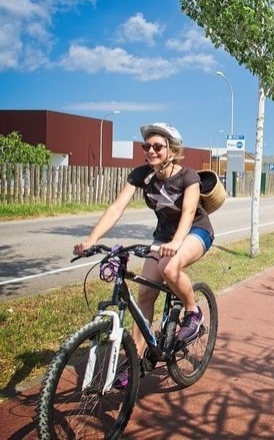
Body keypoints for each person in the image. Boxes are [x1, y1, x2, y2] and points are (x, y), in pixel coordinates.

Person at [74, 122, 214, 386]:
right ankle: (136, 362)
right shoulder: (141, 175)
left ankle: (193, 312)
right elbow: (116, 208)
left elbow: (188, 213)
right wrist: (91, 240)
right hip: (163, 237)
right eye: (146, 146)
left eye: (157, 146)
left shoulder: (189, 177)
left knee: (168, 268)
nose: (151, 151)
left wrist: (176, 242)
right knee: (145, 294)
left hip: (195, 231)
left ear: (172, 150)